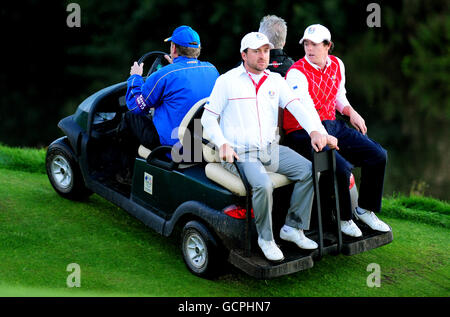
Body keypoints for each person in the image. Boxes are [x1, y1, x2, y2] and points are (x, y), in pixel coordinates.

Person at [201, 32, 338, 262]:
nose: (263, 55)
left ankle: (293, 227)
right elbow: (208, 118)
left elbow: (297, 105)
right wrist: (223, 143)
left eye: (265, 50)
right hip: (239, 152)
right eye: (256, 51)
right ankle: (266, 239)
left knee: (309, 170)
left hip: (268, 149)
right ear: (244, 55)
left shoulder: (275, 80)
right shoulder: (227, 81)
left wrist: (316, 130)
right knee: (263, 184)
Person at [283, 24, 390, 237]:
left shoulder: (337, 65)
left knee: (377, 155)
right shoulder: (296, 73)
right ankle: (344, 219)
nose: (309, 48)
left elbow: (338, 96)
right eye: (306, 43)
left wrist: (351, 112)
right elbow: (306, 109)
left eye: (314, 44)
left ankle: (364, 209)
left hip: (331, 124)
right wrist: (321, 134)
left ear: (328, 46)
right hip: (302, 132)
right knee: (340, 167)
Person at [116, 25, 219, 183]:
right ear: (197, 49)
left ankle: (125, 176)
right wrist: (174, 65)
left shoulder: (163, 75)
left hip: (172, 149)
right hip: (200, 144)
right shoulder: (212, 70)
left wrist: (135, 78)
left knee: (129, 117)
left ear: (173, 48)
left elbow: (136, 106)